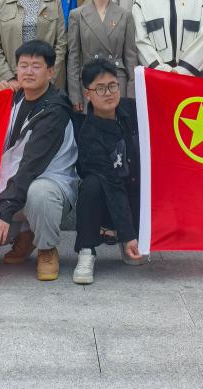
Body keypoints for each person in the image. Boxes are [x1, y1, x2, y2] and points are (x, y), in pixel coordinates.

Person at [0, 40, 78, 282]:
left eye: (36, 66)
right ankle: (26, 234)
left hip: (50, 181)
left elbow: (31, 166)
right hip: (15, 176)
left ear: (50, 72)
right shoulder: (16, 97)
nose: (28, 72)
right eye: (23, 65)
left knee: (39, 193)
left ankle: (47, 248)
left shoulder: (55, 110)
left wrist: (4, 213)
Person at [72, 57, 144, 284]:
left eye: (113, 86)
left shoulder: (134, 109)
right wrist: (129, 234)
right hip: (106, 199)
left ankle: (133, 238)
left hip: (136, 192)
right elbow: (112, 185)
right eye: (100, 88)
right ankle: (86, 251)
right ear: (88, 94)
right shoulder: (88, 134)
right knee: (92, 185)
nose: (109, 93)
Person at [67, 0, 138, 110]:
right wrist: (75, 94)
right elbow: (73, 58)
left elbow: (131, 58)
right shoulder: (77, 15)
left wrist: (132, 95)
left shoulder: (125, 16)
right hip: (90, 82)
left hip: (117, 82)